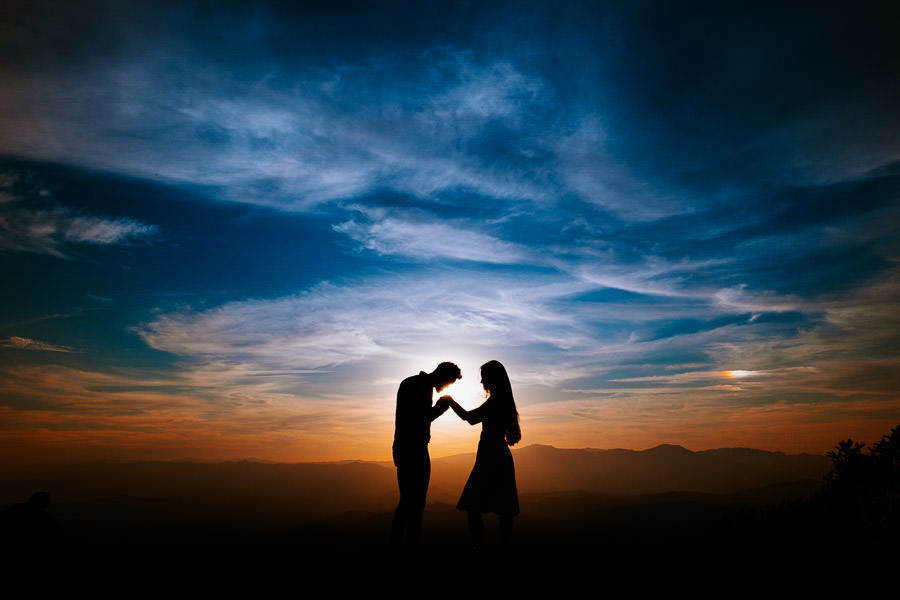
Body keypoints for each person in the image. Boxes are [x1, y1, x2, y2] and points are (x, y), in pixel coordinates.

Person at [448, 360, 521, 551]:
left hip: (490, 457)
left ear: (492, 379)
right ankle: (500, 550)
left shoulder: (496, 401)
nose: (481, 381)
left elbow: (470, 418)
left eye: (484, 377)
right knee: (503, 510)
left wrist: (449, 401)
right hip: (498, 456)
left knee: (474, 507)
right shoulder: (503, 400)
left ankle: (480, 549)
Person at [390, 361, 461, 549]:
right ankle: (409, 545)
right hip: (414, 449)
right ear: (442, 375)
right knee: (414, 502)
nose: (446, 387)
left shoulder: (411, 383)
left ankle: (400, 543)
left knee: (407, 500)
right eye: (449, 382)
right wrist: (440, 408)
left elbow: (406, 419)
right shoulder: (420, 387)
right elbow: (419, 419)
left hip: (405, 448)